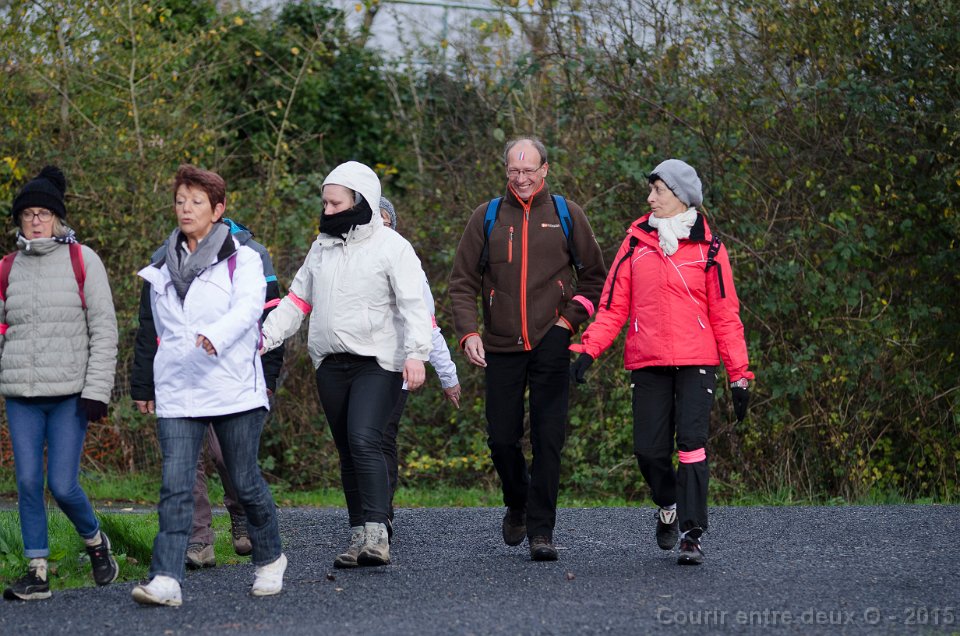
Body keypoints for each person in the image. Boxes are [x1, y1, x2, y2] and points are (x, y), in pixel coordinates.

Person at [569, 159, 754, 566]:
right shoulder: (634, 244)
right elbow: (613, 308)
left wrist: (739, 375)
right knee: (649, 452)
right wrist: (588, 350)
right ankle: (668, 504)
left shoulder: (710, 248)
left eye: (658, 191)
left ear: (681, 197)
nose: (650, 198)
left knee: (691, 445)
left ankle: (691, 534)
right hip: (647, 359)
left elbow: (726, 315)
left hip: (697, 361)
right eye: (651, 190)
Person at [261, 162, 431, 569]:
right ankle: (358, 537)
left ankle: (378, 536)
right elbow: (296, 302)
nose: (328, 210)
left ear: (361, 201)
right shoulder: (321, 248)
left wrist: (417, 354)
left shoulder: (393, 247)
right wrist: (262, 339)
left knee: (364, 439)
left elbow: (414, 305)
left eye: (335, 203)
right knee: (347, 450)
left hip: (378, 361)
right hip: (330, 363)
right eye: (325, 203)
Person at [130, 165, 286, 606]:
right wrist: (148, 381)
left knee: (244, 480)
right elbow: (155, 329)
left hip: (233, 389)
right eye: (180, 201)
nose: (186, 209)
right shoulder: (160, 265)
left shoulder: (244, 259)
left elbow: (251, 309)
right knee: (175, 485)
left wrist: (216, 335)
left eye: (196, 202)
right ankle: (166, 578)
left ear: (218, 210)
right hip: (179, 391)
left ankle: (270, 559)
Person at [449, 137, 606, 561]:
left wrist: (567, 322)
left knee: (548, 439)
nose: (521, 179)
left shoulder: (567, 214)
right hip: (500, 346)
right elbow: (462, 281)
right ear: (505, 171)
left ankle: (541, 531)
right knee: (502, 439)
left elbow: (596, 278)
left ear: (545, 170)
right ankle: (517, 502)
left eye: (529, 171)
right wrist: (469, 332)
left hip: (551, 342)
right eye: (514, 171)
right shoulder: (487, 216)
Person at [1, 166, 119, 600]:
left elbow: (104, 329)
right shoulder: (7, 268)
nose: (36, 221)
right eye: (28, 214)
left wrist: (97, 391)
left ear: (57, 218)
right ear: (19, 220)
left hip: (70, 394)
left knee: (63, 485)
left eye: (44, 214)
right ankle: (37, 572)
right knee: (28, 483)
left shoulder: (82, 260)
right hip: (22, 396)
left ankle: (96, 542)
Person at [378, 197, 461, 529]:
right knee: (358, 440)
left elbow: (428, 324)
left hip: (396, 366)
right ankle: (365, 510)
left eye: (385, 222)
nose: (379, 228)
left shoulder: (406, 261)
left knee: (382, 435)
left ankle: (380, 514)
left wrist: (448, 375)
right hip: (355, 366)